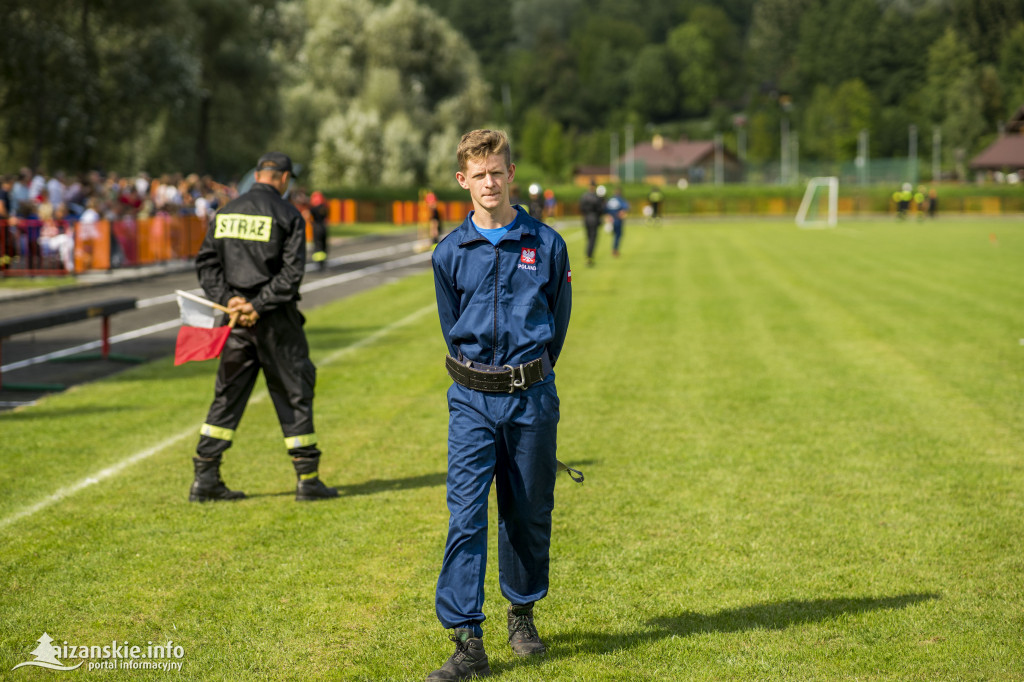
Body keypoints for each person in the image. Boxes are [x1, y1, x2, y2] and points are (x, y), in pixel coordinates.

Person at [428, 129, 572, 681]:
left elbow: (557, 326)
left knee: (527, 512)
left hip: (532, 399)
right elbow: (451, 325)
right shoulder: (449, 251)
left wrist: (526, 374)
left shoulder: (548, 244)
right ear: (463, 181)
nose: (490, 183)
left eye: (498, 172)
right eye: (478, 174)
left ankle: (522, 612)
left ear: (511, 174)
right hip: (470, 400)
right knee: (464, 516)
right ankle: (467, 638)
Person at [189, 151, 338, 503]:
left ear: (257, 175)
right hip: (277, 324)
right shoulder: (288, 215)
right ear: (284, 179)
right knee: (295, 394)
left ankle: (205, 477)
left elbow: (206, 264)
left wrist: (231, 301)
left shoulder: (224, 212)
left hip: (237, 322)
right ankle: (308, 480)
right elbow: (290, 276)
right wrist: (257, 305)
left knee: (227, 397)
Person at [578, 179, 604, 267]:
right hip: (594, 219)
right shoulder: (596, 197)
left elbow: (581, 208)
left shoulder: (584, 196)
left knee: (588, 238)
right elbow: (600, 209)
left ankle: (588, 256)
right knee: (592, 239)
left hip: (586, 218)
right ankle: (589, 256)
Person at [605, 186, 630, 257]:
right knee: (618, 235)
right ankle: (615, 250)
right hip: (617, 220)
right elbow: (625, 208)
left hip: (611, 220)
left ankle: (614, 249)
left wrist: (608, 217)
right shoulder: (620, 199)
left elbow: (606, 209)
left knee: (615, 235)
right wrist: (622, 214)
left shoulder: (610, 200)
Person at [309, 190, 329, 269]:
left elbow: (308, 216)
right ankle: (323, 261)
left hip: (316, 227)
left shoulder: (313, 208)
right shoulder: (324, 207)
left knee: (318, 245)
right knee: (323, 245)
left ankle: (319, 263)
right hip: (323, 227)